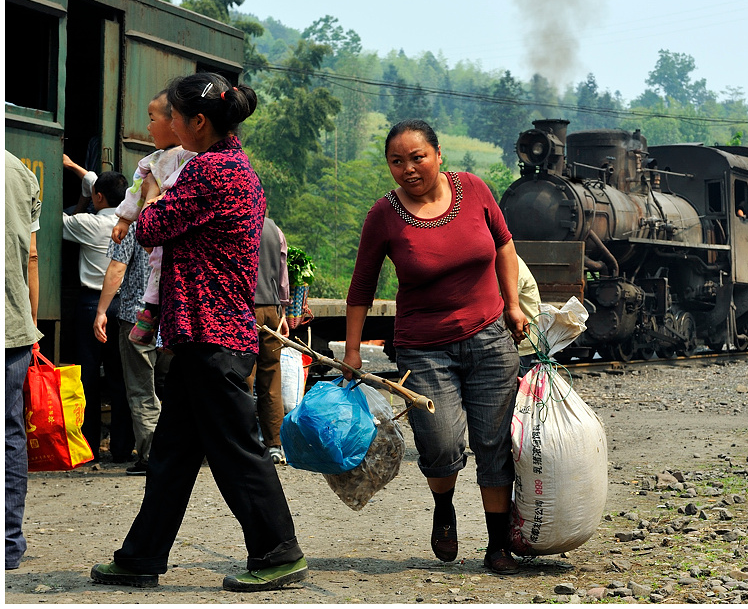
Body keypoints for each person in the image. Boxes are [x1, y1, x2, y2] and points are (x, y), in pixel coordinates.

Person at [90, 72, 307, 592]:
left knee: (236, 448)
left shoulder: (211, 171)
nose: (167, 126)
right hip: (198, 333)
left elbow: (150, 226)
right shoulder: (231, 166)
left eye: (174, 117)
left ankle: (279, 551)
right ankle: (141, 556)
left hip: (212, 335)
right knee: (173, 453)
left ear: (198, 122)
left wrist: (148, 188)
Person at [344, 119, 528, 575]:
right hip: (424, 348)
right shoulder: (383, 215)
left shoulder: (474, 189)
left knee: (493, 443)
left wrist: (513, 305)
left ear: (439, 154)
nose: (408, 168)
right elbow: (362, 285)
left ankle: (497, 543)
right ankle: (443, 507)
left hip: (489, 338)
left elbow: (504, 245)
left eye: (417, 157)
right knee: (443, 444)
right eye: (396, 161)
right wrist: (351, 351)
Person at [110, 91, 196, 346]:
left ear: (174, 122)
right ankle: (150, 315)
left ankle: (158, 319)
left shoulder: (190, 155)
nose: (147, 127)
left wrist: (160, 198)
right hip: (156, 232)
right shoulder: (151, 161)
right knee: (156, 271)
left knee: (163, 273)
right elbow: (136, 190)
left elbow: (182, 187)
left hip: (171, 227)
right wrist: (124, 219)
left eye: (152, 119)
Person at [62, 162, 134, 463]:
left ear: (99, 197)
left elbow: (57, 219)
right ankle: (121, 448)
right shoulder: (129, 224)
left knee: (88, 379)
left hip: (93, 304)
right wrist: (77, 169)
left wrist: (81, 201)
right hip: (123, 306)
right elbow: (96, 184)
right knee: (120, 379)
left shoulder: (87, 224)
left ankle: (89, 448)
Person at [94, 221, 170, 476]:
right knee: (171, 387)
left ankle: (152, 457)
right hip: (174, 319)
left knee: (141, 389)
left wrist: (102, 311)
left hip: (138, 317)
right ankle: (178, 452)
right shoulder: (180, 218)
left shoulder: (134, 225)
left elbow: (117, 268)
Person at [5, 150, 42, 570]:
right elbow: (31, 256)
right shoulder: (19, 172)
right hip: (11, 325)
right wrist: (30, 324)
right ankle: (8, 543)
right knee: (10, 432)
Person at [248, 216, 291, 465]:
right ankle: (275, 445)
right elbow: (282, 272)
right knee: (271, 377)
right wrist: (282, 311)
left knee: (244, 378)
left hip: (245, 310)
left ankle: (247, 442)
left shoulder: (235, 220)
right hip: (271, 310)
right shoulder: (275, 228)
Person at [515, 255, 542, 376]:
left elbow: (498, 300)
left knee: (513, 384)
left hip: (520, 339)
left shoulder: (510, 263)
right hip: (518, 337)